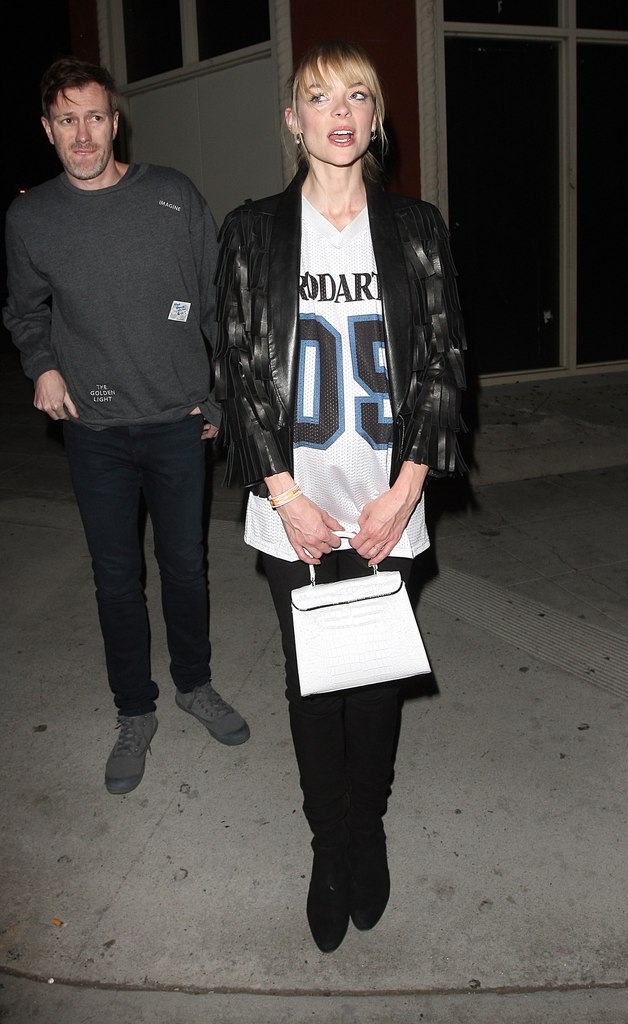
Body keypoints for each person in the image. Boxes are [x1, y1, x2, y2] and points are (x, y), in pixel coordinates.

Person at [215, 39, 466, 952]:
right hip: (298, 509)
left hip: (386, 503)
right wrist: (286, 497)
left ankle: (370, 829)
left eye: (358, 95)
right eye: (320, 97)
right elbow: (238, 373)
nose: (341, 113)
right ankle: (329, 844)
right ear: (293, 119)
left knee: (377, 684)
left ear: (376, 116)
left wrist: (406, 491)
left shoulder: (416, 228)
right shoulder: (253, 231)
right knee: (315, 687)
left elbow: (443, 366)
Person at [3, 57, 249, 796]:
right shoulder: (30, 219)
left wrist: (220, 400)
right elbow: (25, 311)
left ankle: (194, 684)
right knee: (116, 580)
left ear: (115, 122)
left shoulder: (172, 196)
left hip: (178, 424)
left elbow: (221, 307)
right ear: (48, 129)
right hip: (95, 430)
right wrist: (42, 365)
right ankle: (134, 710)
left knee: (186, 568)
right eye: (67, 120)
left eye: (94, 117)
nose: (83, 134)